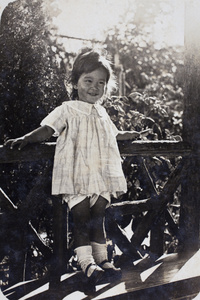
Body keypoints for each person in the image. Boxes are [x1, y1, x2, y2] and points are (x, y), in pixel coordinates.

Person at [5, 48, 149, 292]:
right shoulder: (67, 109)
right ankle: (86, 263)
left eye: (101, 83)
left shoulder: (102, 113)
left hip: (100, 175)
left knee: (99, 217)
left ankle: (103, 259)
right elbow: (47, 129)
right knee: (81, 218)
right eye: (88, 81)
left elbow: (115, 134)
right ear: (75, 82)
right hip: (77, 175)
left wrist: (130, 135)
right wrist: (27, 138)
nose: (94, 87)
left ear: (106, 87)